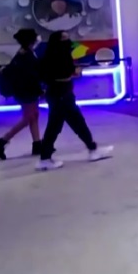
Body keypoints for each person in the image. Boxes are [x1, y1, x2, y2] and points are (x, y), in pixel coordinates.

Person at [37, 31, 112, 171]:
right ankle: (45, 158)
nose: (68, 41)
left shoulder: (51, 55)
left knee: (76, 123)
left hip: (61, 94)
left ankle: (92, 148)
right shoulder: (58, 56)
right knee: (56, 126)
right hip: (61, 96)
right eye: (64, 38)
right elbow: (63, 73)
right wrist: (74, 71)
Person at [0, 29, 43, 160]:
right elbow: (31, 76)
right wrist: (41, 90)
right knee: (28, 118)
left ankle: (37, 144)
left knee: (33, 116)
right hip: (27, 91)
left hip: (24, 91)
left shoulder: (22, 54)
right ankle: (2, 141)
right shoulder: (27, 56)